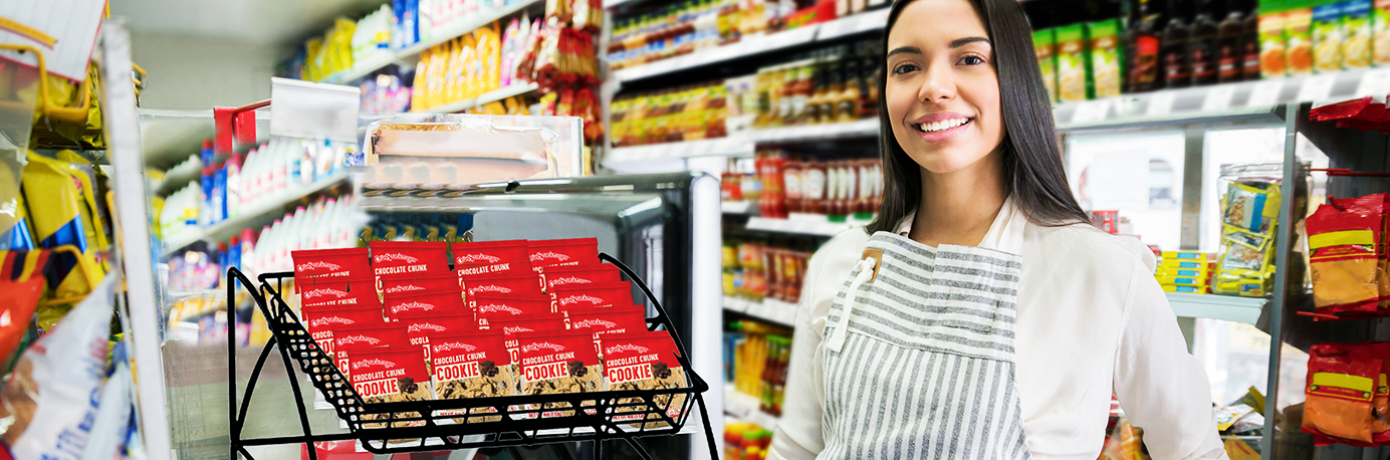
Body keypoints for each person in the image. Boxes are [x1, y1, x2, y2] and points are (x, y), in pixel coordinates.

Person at [767, 0, 1227, 458]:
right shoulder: (842, 263)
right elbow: (797, 448)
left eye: (969, 59)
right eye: (906, 67)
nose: (933, 87)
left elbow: (1193, 449)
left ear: (1015, 79)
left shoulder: (1100, 272)